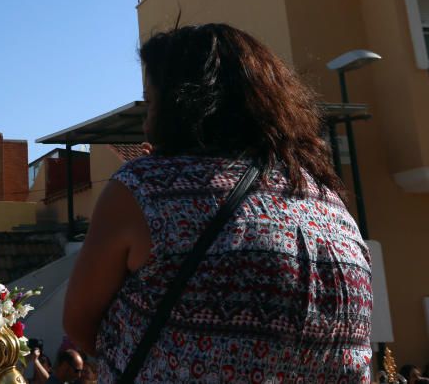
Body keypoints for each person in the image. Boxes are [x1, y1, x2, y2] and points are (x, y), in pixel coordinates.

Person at [63, 23, 373, 381]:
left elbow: (81, 325)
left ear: (182, 105)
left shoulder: (144, 190)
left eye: (151, 104)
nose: (146, 124)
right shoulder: (330, 202)